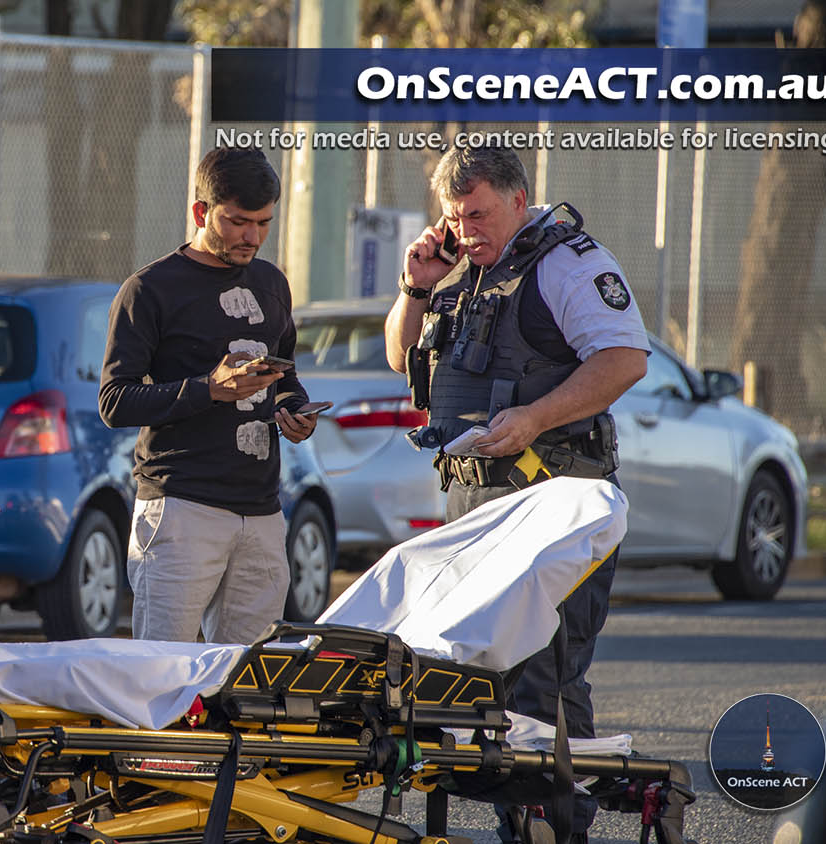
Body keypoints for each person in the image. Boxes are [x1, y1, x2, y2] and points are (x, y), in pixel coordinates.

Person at [382, 145, 649, 843]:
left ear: (518, 199)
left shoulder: (567, 262)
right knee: (476, 687)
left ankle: (558, 830)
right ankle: (518, 827)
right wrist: (417, 287)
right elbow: (401, 358)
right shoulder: (462, 271)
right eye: (452, 215)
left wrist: (533, 417)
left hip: (555, 502)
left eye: (477, 213)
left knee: (544, 683)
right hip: (475, 507)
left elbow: (624, 359)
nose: (464, 228)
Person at [99, 146, 316, 646]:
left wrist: (293, 408)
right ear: (201, 212)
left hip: (262, 510)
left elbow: (285, 375)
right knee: (162, 672)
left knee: (248, 683)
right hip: (180, 507)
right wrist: (207, 390)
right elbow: (114, 401)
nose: (253, 237)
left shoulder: (271, 281)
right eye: (238, 222)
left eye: (263, 223)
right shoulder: (149, 289)